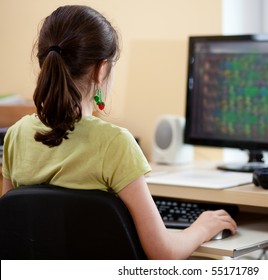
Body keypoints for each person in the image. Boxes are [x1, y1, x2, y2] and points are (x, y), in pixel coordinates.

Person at [1, 5, 237, 260]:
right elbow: (164, 253)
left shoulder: (15, 135)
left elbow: (13, 230)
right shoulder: (115, 143)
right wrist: (202, 226)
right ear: (101, 69)